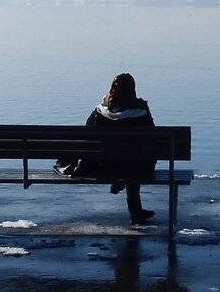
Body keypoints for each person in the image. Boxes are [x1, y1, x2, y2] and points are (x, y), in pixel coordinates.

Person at [55, 73, 156, 225]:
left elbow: (86, 136)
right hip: (135, 168)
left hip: (103, 167)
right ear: (132, 90)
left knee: (126, 160)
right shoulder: (141, 112)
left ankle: (125, 190)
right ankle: (135, 212)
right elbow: (152, 139)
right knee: (134, 160)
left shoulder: (99, 112)